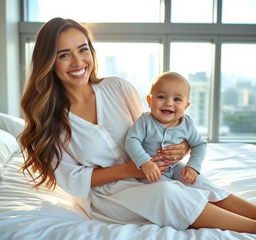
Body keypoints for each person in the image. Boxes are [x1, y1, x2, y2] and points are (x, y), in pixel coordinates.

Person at [19, 17, 256, 233]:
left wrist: (182, 146)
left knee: (192, 178)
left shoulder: (117, 88)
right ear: (49, 61)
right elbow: (73, 178)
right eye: (64, 54)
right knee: (167, 193)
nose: (78, 61)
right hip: (107, 195)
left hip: (151, 170)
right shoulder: (49, 120)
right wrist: (130, 170)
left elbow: (151, 125)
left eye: (83, 50)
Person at [126, 72, 206, 184]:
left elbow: (199, 145)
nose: (168, 103)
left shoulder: (187, 123)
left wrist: (193, 166)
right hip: (150, 171)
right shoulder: (145, 120)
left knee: (200, 181)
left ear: (186, 106)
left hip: (174, 168)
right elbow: (132, 140)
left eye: (177, 99)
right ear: (149, 101)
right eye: (161, 97)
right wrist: (145, 162)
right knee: (166, 188)